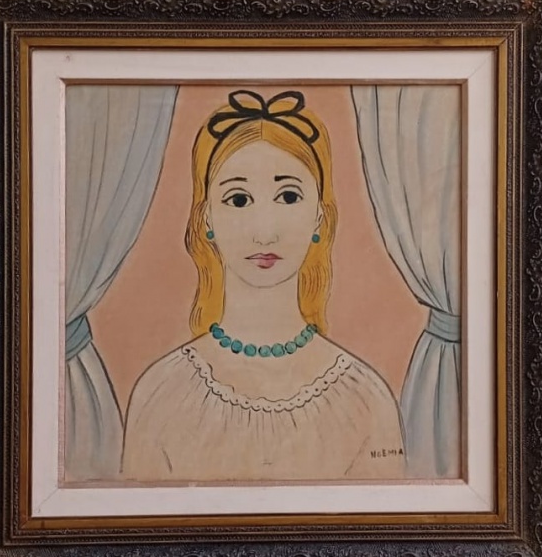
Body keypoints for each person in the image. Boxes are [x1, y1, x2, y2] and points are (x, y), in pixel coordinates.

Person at [121, 90, 406, 482]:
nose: (264, 232)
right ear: (206, 219)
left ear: (320, 218)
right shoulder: (160, 394)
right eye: (238, 200)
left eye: (288, 196)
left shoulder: (366, 401)